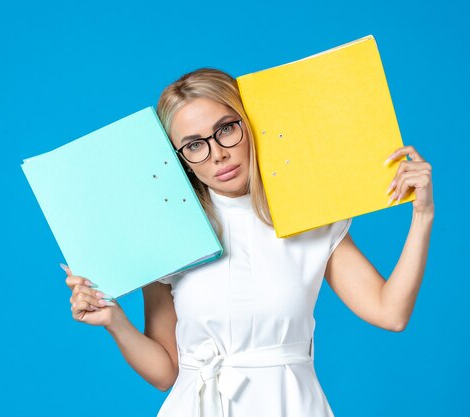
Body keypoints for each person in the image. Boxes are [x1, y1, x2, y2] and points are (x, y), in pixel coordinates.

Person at [62, 68, 435, 417]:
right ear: (180, 160)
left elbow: (390, 313)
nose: (217, 153)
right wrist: (115, 322)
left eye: (225, 129)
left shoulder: (311, 217)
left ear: (250, 123)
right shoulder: (168, 232)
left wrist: (422, 216)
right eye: (194, 145)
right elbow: (166, 373)